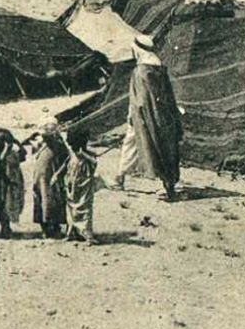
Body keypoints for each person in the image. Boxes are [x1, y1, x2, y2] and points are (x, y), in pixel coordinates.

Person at [115, 34, 184, 201]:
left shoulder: (140, 72)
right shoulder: (159, 68)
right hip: (163, 115)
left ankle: (123, 178)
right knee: (156, 145)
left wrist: (134, 115)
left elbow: (140, 99)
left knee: (144, 144)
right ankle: (121, 177)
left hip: (144, 115)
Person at [63, 128, 107, 243]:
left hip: (76, 184)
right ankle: (82, 233)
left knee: (75, 207)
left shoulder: (76, 156)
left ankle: (78, 233)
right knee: (83, 207)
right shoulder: (83, 157)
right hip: (78, 185)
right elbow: (94, 164)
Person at [29, 125, 70, 238]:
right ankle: (45, 229)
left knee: (52, 203)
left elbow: (66, 161)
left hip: (51, 180)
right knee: (41, 202)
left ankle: (54, 228)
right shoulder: (42, 145)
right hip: (40, 179)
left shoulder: (59, 146)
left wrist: (58, 174)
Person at [0, 128, 26, 234]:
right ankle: (5, 226)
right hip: (4, 182)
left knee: (12, 203)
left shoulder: (13, 154)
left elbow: (23, 154)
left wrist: (17, 142)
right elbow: (0, 161)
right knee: (4, 204)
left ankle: (7, 226)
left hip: (14, 181)